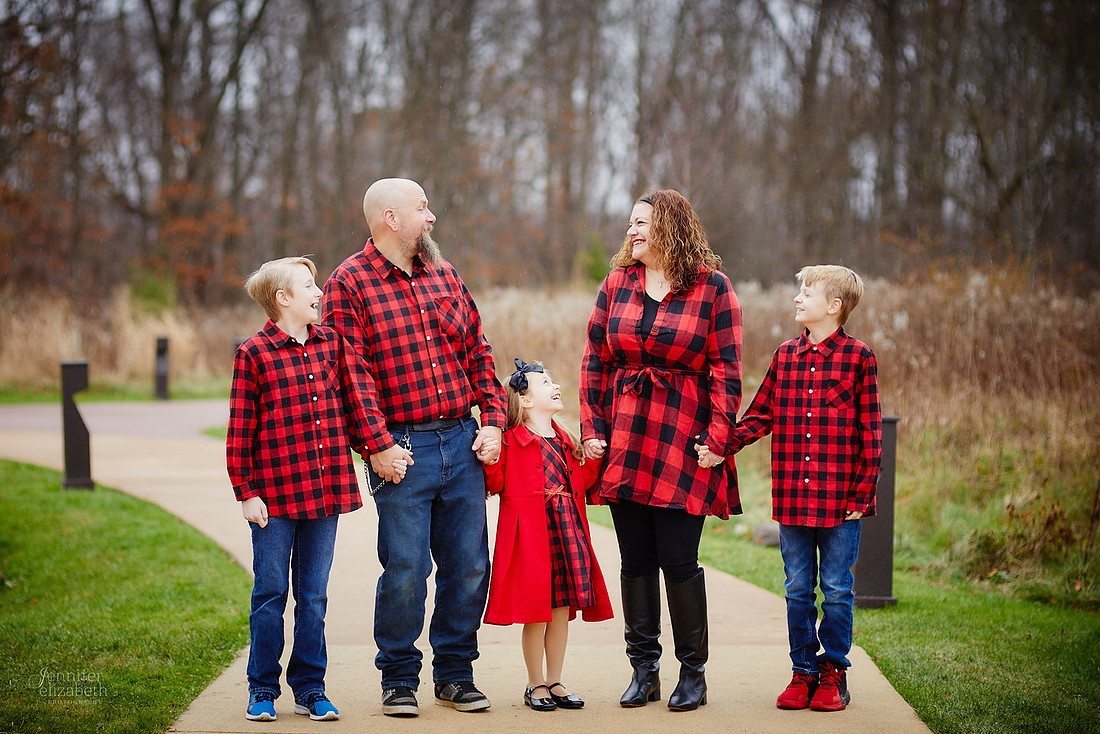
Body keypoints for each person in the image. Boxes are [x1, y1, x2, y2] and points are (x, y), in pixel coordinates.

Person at [320, 178, 506, 717]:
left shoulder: (445, 275)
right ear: (390, 219)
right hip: (401, 448)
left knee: (469, 566)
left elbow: (479, 352)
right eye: (422, 208)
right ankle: (399, 678)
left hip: (461, 439)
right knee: (405, 569)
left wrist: (491, 421)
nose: (432, 217)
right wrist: (375, 446)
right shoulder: (348, 283)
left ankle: (454, 674)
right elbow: (349, 373)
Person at [579, 189, 743, 712]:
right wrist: (592, 427)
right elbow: (594, 362)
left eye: (642, 223)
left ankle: (692, 673)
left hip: (683, 438)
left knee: (679, 560)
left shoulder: (712, 289)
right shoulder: (616, 283)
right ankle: (643, 669)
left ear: (670, 227)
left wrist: (719, 438)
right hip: (626, 435)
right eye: (629, 223)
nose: (631, 231)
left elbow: (728, 370)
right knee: (635, 560)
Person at [227, 256, 400, 723]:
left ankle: (309, 688)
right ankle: (261, 688)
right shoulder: (253, 354)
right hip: (274, 497)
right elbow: (240, 431)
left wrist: (379, 448)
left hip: (324, 490)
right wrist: (246, 492)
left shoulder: (333, 346)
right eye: (309, 285)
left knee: (314, 596)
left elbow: (357, 405)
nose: (319, 292)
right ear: (283, 298)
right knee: (269, 595)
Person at [721, 264, 881, 712]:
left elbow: (870, 434)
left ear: (834, 306)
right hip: (792, 498)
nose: (797, 299)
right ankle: (802, 671)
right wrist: (721, 445)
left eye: (806, 293)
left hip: (840, 502)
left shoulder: (859, 358)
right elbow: (759, 416)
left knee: (835, 589)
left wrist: (863, 494)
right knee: (796, 588)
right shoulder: (785, 356)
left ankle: (833, 672)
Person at [484, 359, 614, 712]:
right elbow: (494, 483)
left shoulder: (566, 438)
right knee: (536, 611)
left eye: (553, 380)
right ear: (524, 400)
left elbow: (582, 484)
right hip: (530, 536)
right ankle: (534, 683)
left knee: (560, 609)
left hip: (566, 530)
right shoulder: (510, 442)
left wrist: (594, 458)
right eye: (545, 383)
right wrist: (489, 456)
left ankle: (555, 681)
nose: (555, 386)